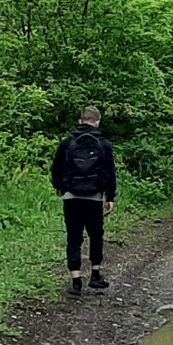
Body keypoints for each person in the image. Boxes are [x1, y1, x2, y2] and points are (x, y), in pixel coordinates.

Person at [51, 105, 118, 295]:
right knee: (96, 235)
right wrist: (111, 197)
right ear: (97, 122)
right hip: (95, 197)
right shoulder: (104, 145)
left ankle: (76, 280)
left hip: (71, 196)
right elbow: (110, 172)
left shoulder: (67, 143)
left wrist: (59, 187)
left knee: (74, 237)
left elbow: (56, 169)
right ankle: (95, 275)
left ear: (81, 121)